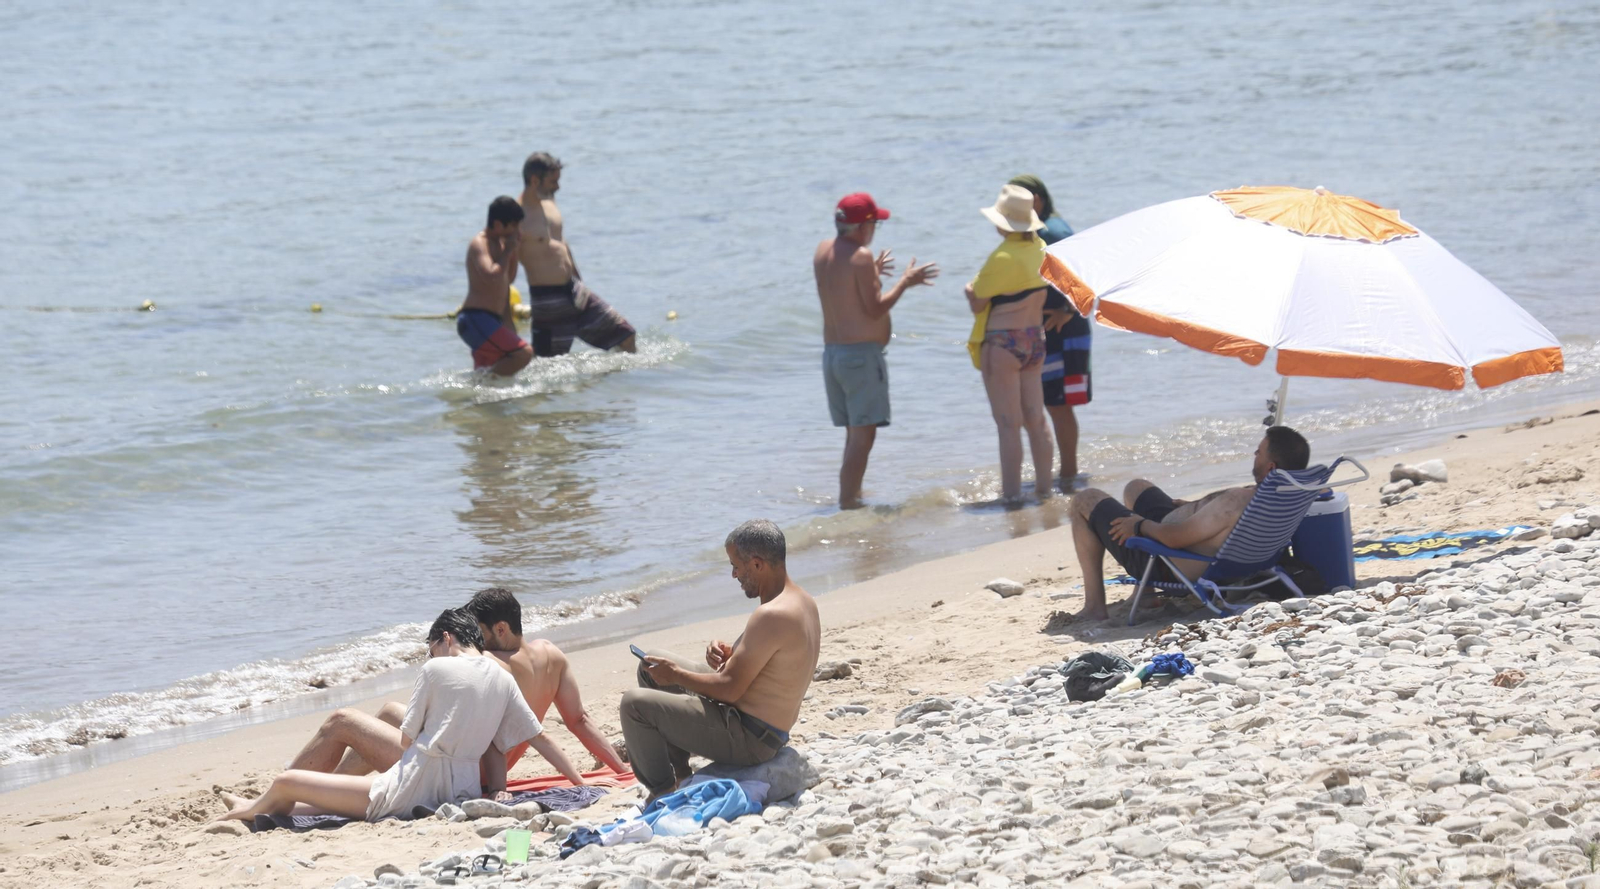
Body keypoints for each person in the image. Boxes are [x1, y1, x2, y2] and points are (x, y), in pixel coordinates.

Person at [216, 609, 585, 823]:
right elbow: (538, 737)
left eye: (431, 649)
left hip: (416, 784)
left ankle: (248, 811)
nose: (430, 657)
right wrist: (580, 783)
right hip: (461, 787)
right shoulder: (502, 679)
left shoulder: (436, 671)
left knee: (286, 780)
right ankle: (256, 806)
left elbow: (409, 742)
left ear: (445, 638)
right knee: (309, 787)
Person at [621, 520, 821, 800]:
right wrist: (731, 654)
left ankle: (662, 791)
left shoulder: (771, 615)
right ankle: (681, 775)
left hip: (751, 739)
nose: (733, 574)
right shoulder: (801, 601)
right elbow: (767, 666)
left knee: (634, 704)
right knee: (651, 665)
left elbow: (729, 689)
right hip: (757, 721)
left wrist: (676, 674)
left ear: (757, 564)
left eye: (736, 566)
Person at [1066, 426, 1311, 622]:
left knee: (1084, 500)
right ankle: (1145, 596)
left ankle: (1094, 606)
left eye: (1259, 452)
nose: (1254, 455)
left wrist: (1139, 526)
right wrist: (1198, 507)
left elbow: (1175, 538)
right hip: (1209, 553)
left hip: (1165, 561)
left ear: (1271, 466)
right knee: (1136, 487)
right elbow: (1220, 523)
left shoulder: (1238, 502)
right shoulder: (1285, 497)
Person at [813, 192, 939, 508]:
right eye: (874, 224)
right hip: (860, 358)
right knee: (864, 437)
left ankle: (852, 494)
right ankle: (848, 503)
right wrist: (905, 282)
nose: (874, 231)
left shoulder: (823, 251)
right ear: (864, 226)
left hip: (833, 355)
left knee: (853, 434)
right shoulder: (861, 256)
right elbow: (874, 309)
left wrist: (871, 276)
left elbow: (845, 294)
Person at [464, 587, 629, 775]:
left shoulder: (487, 662)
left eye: (479, 632)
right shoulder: (551, 655)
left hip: (469, 779)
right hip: (495, 775)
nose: (475, 639)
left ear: (501, 629)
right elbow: (579, 721)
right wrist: (622, 770)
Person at [964, 184, 1054, 504]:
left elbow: (977, 303)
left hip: (1002, 341)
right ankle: (1045, 490)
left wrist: (968, 290)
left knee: (1007, 425)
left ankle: (1012, 497)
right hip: (1035, 338)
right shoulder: (1040, 247)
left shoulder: (1001, 256)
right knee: (1036, 419)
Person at [1008, 175, 1091, 490]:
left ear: (1037, 200)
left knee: (1058, 404)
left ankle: (1068, 472)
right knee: (1052, 403)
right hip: (1051, 329)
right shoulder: (1036, 231)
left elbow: (1082, 272)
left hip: (1066, 329)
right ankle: (1065, 471)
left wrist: (1068, 310)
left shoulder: (1052, 231)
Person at [516, 152, 638, 357]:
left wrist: (579, 279)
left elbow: (561, 244)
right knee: (545, 370)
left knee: (625, 337)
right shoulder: (516, 215)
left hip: (575, 292)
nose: (558, 187)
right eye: (553, 181)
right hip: (547, 303)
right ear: (535, 180)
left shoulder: (550, 202)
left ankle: (606, 387)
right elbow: (505, 260)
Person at [457, 197, 534, 377]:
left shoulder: (500, 244)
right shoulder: (480, 244)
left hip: (491, 320)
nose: (517, 231)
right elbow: (491, 275)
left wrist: (513, 251)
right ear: (498, 224)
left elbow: (508, 278)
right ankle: (484, 384)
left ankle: (477, 396)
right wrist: (507, 251)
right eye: (514, 226)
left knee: (495, 379)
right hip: (475, 319)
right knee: (524, 354)